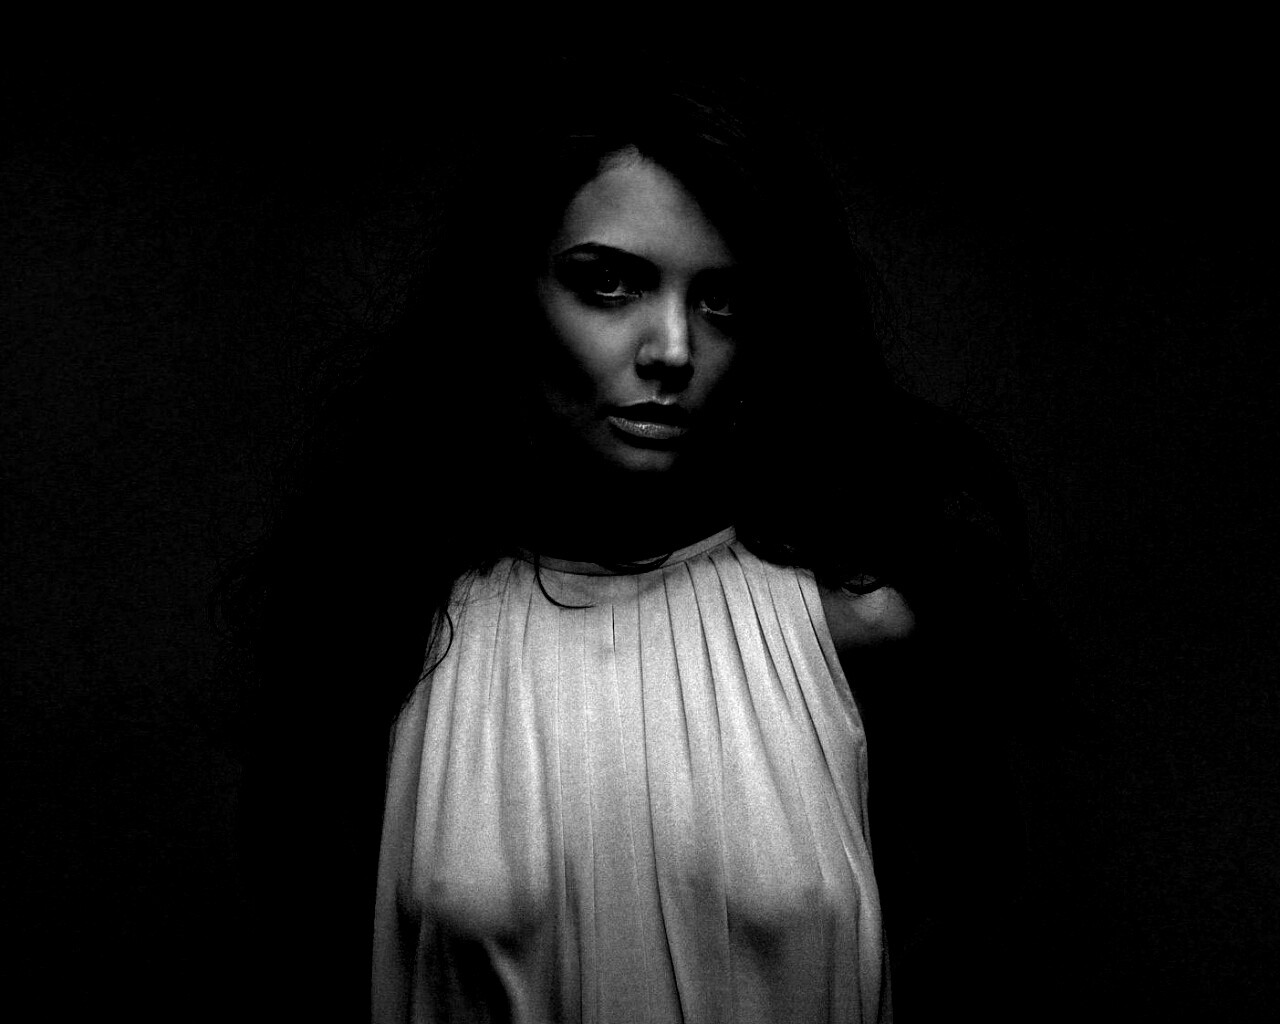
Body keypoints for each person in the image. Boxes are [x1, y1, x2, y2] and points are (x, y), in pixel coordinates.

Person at [220, 62, 1052, 1022]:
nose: (673, 351)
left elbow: (957, 954)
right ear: (507, 294)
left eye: (722, 300)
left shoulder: (862, 623)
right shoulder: (394, 624)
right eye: (609, 284)